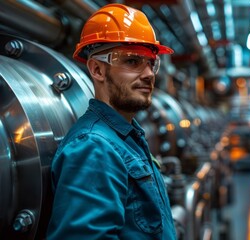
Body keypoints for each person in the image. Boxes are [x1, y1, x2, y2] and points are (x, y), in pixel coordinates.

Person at [47, 3, 176, 239]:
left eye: (151, 63)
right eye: (132, 61)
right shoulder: (93, 147)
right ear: (97, 70)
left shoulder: (127, 137)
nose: (148, 74)